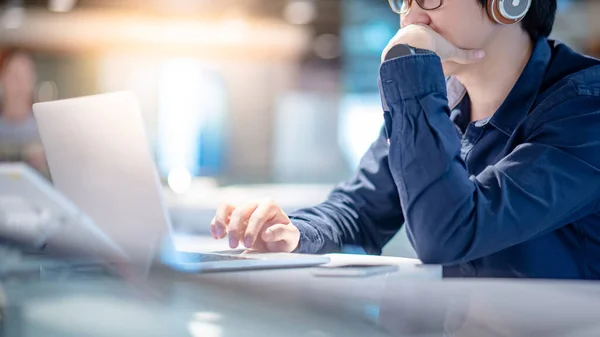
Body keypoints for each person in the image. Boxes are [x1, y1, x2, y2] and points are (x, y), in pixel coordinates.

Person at [211, 0, 600, 279]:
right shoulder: (441, 99)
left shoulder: (587, 109)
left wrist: (409, 61)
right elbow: (361, 211)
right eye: (402, 0)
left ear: (509, 4)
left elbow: (450, 234)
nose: (411, 18)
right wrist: (296, 233)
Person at [0, 49, 47, 177]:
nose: (21, 84)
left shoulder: (43, 130)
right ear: (2, 79)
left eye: (26, 77)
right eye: (15, 76)